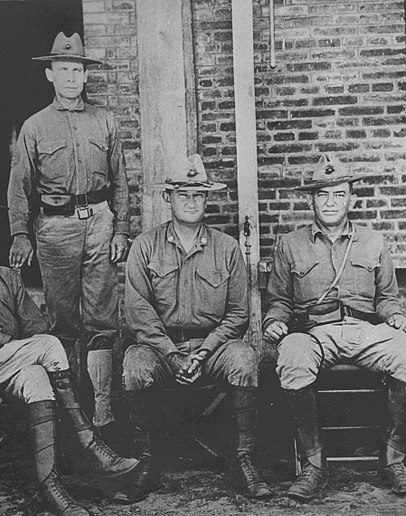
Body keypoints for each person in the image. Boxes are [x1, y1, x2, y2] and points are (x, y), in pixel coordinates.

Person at [0, 184, 141, 516]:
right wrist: (4, 340)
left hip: (9, 370)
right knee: (48, 346)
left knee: (37, 374)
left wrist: (23, 345)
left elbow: (35, 326)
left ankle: (48, 489)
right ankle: (90, 446)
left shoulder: (8, 278)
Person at [263, 155, 406, 501]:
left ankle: (393, 461)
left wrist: (395, 316)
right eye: (323, 195)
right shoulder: (290, 244)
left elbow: (387, 297)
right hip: (316, 332)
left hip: (366, 331)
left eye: (339, 194)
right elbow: (279, 300)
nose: (331, 202)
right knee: (292, 355)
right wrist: (274, 321)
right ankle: (314, 465)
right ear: (311, 200)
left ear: (352, 199)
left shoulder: (373, 241)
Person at [122, 154, 273, 499]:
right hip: (162, 350)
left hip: (213, 349)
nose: (191, 202)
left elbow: (238, 314)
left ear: (207, 199)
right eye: (182, 194)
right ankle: (146, 462)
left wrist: (205, 351)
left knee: (244, 358)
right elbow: (139, 313)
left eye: (198, 195)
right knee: (134, 363)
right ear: (168, 198)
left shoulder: (228, 248)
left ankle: (242, 461)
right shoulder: (145, 247)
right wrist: (172, 355)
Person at [7, 32, 130, 439]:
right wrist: (21, 234)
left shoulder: (106, 121)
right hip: (55, 227)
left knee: (101, 318)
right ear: (50, 74)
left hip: (99, 220)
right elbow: (19, 185)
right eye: (64, 70)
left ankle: (105, 414)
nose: (72, 78)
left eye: (77, 70)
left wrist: (122, 228)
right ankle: (70, 415)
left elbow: (121, 182)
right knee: (63, 321)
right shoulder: (35, 126)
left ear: (84, 75)